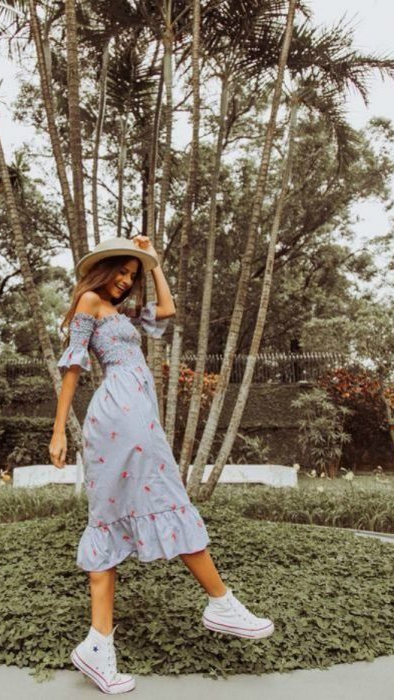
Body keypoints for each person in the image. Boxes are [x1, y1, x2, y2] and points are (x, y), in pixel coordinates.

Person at [49, 235, 274, 695]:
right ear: (104, 269)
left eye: (132, 276)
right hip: (120, 417)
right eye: (123, 272)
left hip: (135, 414)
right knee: (164, 499)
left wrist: (153, 264)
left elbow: (167, 310)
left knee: (110, 519)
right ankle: (221, 602)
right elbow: (71, 368)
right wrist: (58, 430)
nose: (126, 281)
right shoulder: (89, 301)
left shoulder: (122, 314)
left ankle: (97, 646)